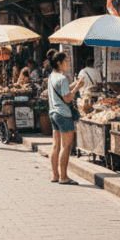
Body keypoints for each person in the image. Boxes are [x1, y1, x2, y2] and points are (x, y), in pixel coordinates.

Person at [48, 51, 84, 185]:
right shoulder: (62, 78)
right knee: (66, 146)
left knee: (56, 145)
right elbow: (68, 97)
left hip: (53, 113)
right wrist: (77, 89)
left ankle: (55, 175)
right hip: (63, 114)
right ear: (59, 63)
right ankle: (64, 177)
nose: (68, 63)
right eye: (66, 61)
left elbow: (63, 91)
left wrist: (75, 84)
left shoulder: (52, 76)